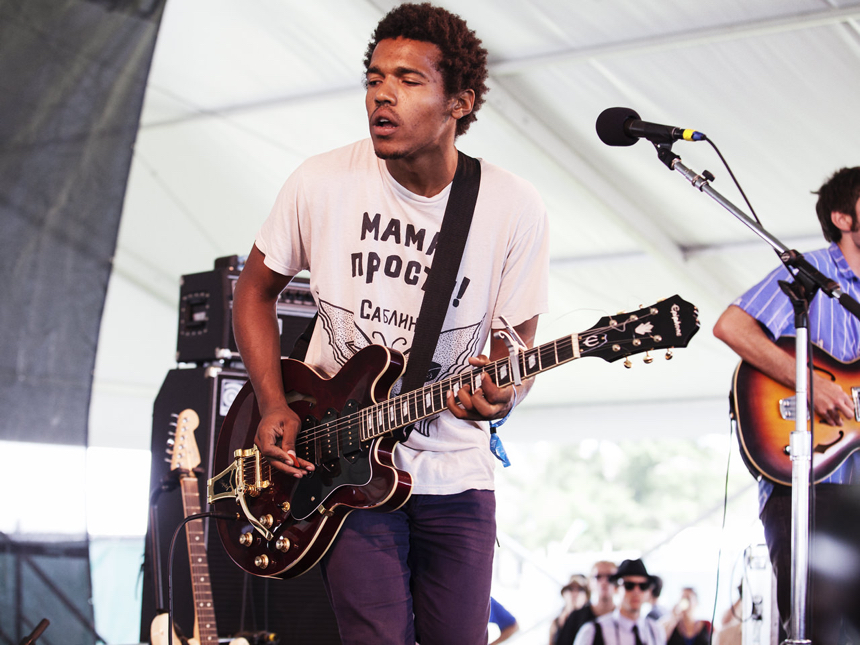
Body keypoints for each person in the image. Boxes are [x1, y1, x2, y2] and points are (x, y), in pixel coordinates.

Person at [231, 3, 550, 645]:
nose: (382, 95)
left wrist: (501, 394)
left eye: (408, 81)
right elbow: (254, 292)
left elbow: (513, 352)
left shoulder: (513, 207)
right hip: (344, 465)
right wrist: (271, 402)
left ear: (459, 102)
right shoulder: (321, 181)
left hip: (456, 474)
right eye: (375, 78)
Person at [713, 166, 860, 643]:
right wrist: (809, 384)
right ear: (843, 217)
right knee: (818, 622)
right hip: (807, 477)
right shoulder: (811, 274)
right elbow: (732, 326)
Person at [572, 559, 666, 645]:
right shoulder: (592, 631)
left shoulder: (655, 631)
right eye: (629, 585)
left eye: (643, 586)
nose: (636, 592)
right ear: (616, 588)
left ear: (649, 591)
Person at [555, 561, 619, 645]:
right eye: (598, 577)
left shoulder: (625, 618)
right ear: (590, 583)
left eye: (610, 577)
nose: (604, 582)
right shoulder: (575, 617)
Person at [550, 575, 589, 645]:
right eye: (570, 589)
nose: (574, 593)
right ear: (564, 594)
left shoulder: (591, 621)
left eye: (580, 589)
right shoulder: (556, 622)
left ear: (586, 596)